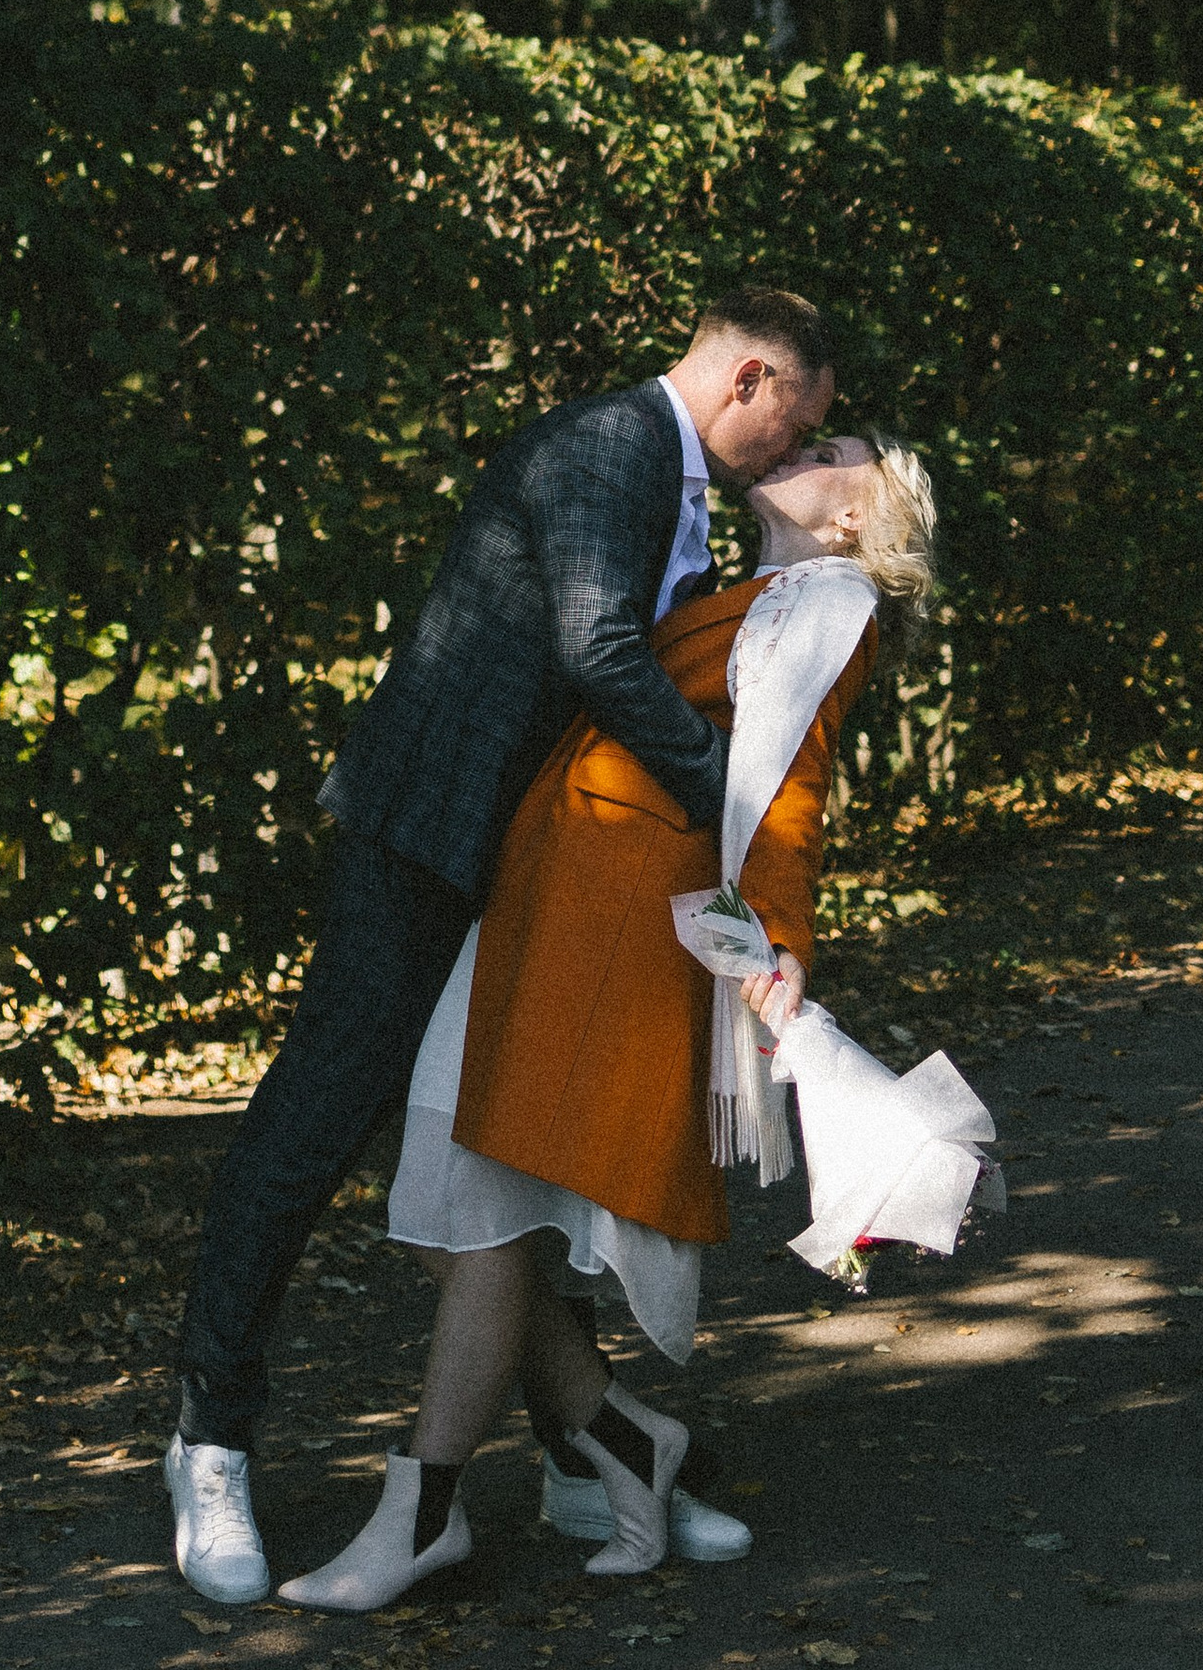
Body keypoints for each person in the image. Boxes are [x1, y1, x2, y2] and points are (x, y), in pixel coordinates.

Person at [165, 290, 839, 1609]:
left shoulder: (678, 476)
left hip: (527, 871)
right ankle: (208, 1438)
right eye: (795, 426)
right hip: (424, 844)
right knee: (312, 1126)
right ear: (751, 375)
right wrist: (729, 796)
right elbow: (594, 643)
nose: (791, 452)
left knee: (523, 1154)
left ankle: (587, 1455)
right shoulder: (610, 446)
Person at [275, 428, 938, 1611]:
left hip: (614, 933)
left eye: (838, 445)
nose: (803, 443)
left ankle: (419, 1508)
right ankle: (625, 1443)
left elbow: (790, 784)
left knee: (481, 1218)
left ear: (854, 519)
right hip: (539, 909)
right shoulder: (747, 588)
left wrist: (780, 941)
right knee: (440, 1206)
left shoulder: (830, 602)